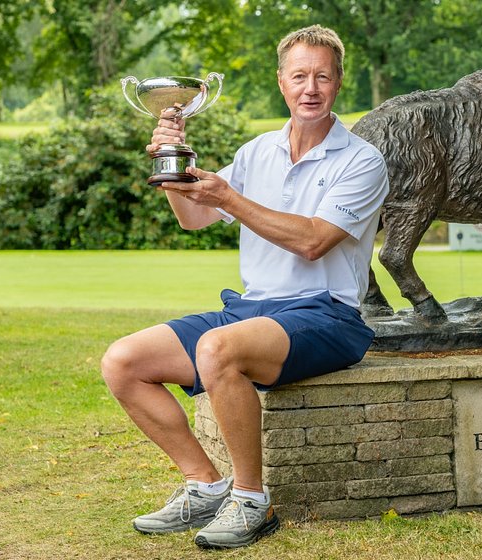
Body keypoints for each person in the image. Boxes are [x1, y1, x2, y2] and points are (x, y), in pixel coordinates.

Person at [101, 25, 389, 550]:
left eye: (322, 76)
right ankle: (205, 485)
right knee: (123, 361)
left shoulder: (361, 160)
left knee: (217, 349)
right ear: (281, 82)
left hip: (327, 316)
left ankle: (253, 500)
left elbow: (313, 242)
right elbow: (193, 219)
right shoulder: (257, 151)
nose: (311, 88)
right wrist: (175, 167)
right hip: (252, 310)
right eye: (299, 75)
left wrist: (229, 198)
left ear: (338, 83)